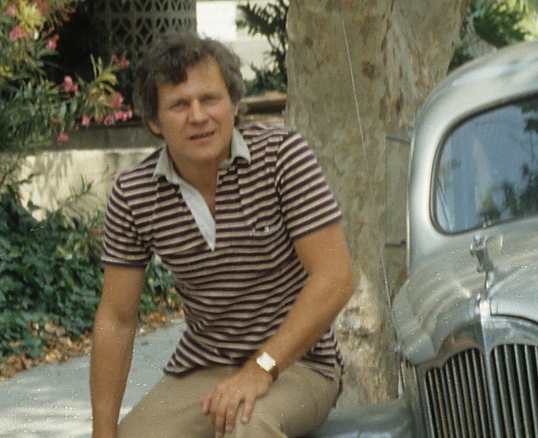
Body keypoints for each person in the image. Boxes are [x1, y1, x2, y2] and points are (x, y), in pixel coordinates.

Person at [90, 31, 354, 438]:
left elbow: (335, 278)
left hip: (300, 364)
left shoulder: (282, 156)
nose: (198, 116)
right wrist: (102, 432)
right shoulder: (133, 193)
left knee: (247, 427)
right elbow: (117, 318)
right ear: (155, 122)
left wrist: (261, 368)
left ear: (233, 104)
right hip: (204, 368)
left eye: (210, 99)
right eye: (179, 105)